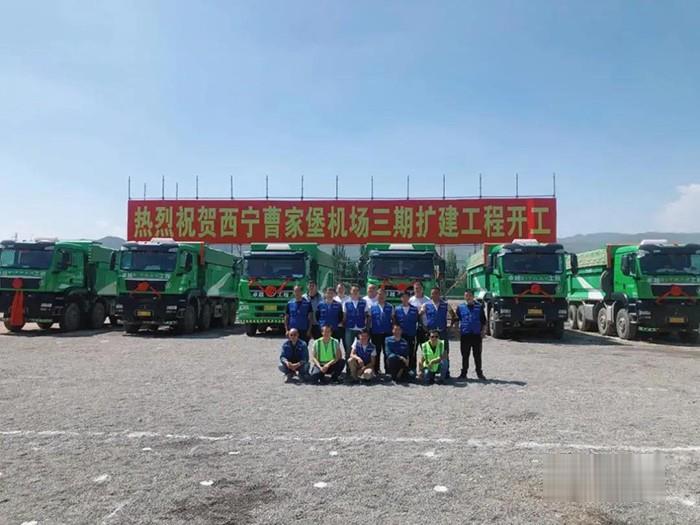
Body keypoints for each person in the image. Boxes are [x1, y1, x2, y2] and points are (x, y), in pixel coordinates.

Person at [456, 290, 487, 380]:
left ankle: (479, 373)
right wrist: (457, 331)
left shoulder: (479, 307)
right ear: (464, 297)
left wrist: (483, 332)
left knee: (477, 355)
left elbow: (483, 321)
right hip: (465, 335)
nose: (468, 297)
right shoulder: (460, 307)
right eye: (466, 295)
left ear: (473, 296)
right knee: (465, 355)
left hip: (476, 335)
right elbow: (457, 319)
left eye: (470, 295)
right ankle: (463, 373)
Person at [418, 287, 457, 357]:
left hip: (442, 332)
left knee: (444, 353)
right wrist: (423, 326)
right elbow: (419, 315)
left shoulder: (445, 304)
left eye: (436, 293)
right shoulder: (426, 305)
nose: (434, 295)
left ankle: (445, 364)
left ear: (439, 294)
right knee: (430, 353)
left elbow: (453, 316)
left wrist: (450, 326)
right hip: (431, 333)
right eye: (432, 293)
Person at [367, 288, 394, 373]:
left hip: (387, 333)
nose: (381, 296)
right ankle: (376, 370)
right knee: (376, 352)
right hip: (376, 333)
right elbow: (369, 320)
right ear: (376, 295)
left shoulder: (390, 306)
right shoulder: (372, 307)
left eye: (383, 294)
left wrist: (393, 331)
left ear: (386, 296)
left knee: (387, 352)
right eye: (379, 294)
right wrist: (368, 331)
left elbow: (393, 319)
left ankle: (388, 370)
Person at [394, 291, 419, 375]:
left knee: (412, 352)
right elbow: (395, 322)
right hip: (401, 335)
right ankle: (401, 371)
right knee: (401, 353)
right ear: (401, 298)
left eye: (406, 297)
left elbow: (418, 320)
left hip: (411, 334)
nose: (405, 299)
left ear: (409, 298)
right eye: (403, 297)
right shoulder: (397, 309)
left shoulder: (414, 309)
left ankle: (412, 370)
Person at [343, 285, 367, 358]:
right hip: (349, 328)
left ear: (359, 292)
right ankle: (348, 364)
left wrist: (366, 327)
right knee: (349, 348)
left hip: (361, 328)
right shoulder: (346, 303)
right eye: (353, 290)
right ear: (350, 292)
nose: (355, 292)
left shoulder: (364, 302)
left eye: (357, 290)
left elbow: (366, 315)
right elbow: (344, 316)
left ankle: (360, 363)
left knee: (361, 348)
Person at [409, 281, 430, 347]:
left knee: (425, 348)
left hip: (425, 327)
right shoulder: (410, 300)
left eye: (419, 288)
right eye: (416, 288)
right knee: (413, 348)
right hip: (414, 328)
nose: (418, 290)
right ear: (414, 289)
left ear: (422, 289)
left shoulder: (427, 300)